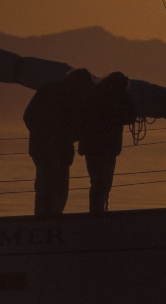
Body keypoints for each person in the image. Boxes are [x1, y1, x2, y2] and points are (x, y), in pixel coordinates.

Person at [23, 68, 94, 218]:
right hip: (53, 150)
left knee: (47, 188)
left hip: (46, 149)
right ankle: (50, 221)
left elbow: (29, 116)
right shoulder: (70, 96)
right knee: (55, 189)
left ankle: (44, 220)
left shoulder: (48, 90)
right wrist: (53, 137)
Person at [77, 72, 137, 214]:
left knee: (97, 182)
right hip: (107, 146)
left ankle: (97, 212)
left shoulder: (92, 95)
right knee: (103, 183)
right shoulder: (117, 98)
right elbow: (130, 116)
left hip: (92, 146)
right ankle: (99, 213)